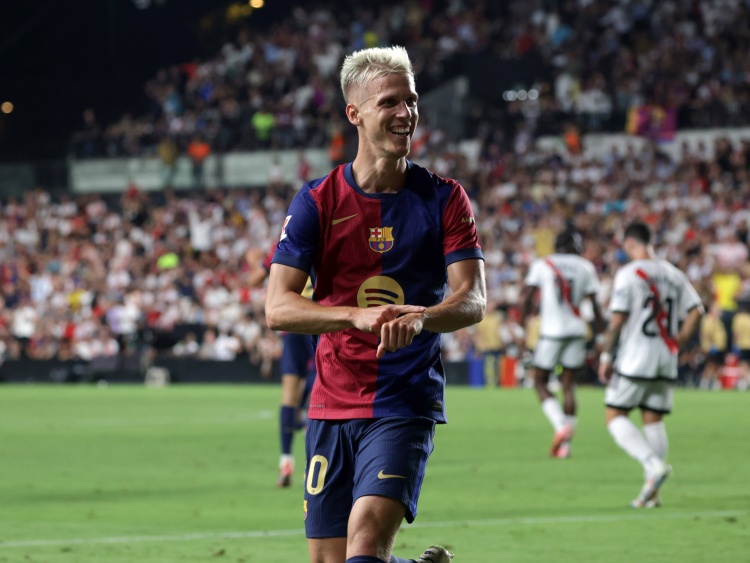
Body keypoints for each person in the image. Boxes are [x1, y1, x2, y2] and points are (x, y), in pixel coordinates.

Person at [265, 46, 486, 563]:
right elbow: (277, 308)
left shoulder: (444, 197)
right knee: (330, 559)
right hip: (331, 402)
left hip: (403, 400)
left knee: (364, 545)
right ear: (355, 113)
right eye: (390, 102)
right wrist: (353, 316)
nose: (406, 113)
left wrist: (422, 318)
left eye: (411, 101)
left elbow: (473, 299)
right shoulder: (317, 201)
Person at [598, 221, 703, 508]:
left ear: (630, 243)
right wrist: (679, 340)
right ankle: (653, 494)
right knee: (653, 420)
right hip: (666, 356)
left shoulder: (629, 273)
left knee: (614, 415)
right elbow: (697, 310)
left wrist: (606, 356)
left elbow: (617, 320)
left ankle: (652, 465)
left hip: (635, 357)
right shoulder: (673, 273)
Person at [520, 228, 604, 458]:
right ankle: (566, 446)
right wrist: (600, 336)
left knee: (539, 381)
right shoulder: (585, 266)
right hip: (577, 331)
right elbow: (596, 305)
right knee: (569, 385)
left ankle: (560, 426)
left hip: (552, 332)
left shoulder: (543, 264)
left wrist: (522, 327)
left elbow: (527, 298)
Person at [248, 244, 316, 488]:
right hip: (320, 320)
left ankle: (285, 462)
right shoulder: (328, 237)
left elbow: (254, 280)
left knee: (289, 394)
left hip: (293, 321)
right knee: (318, 396)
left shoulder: (287, 242)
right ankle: (312, 465)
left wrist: (255, 261)